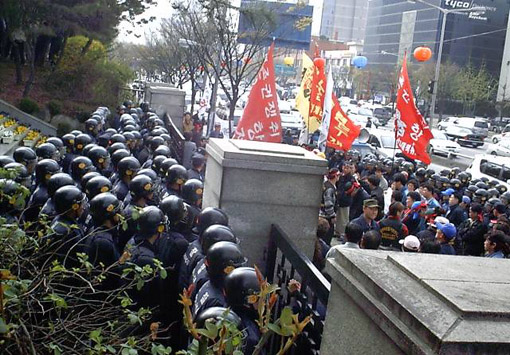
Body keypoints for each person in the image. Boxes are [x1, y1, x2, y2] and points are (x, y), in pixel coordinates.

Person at [320, 168, 339, 243]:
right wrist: (332, 216)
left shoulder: (327, 185)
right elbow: (328, 204)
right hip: (326, 216)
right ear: (335, 176)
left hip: (324, 215)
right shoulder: (330, 189)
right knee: (327, 237)